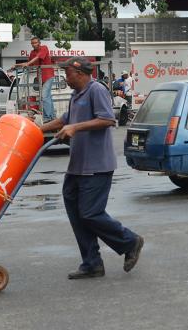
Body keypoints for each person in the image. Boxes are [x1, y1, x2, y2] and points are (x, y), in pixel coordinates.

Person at [40, 57, 144, 280]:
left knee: (90, 213)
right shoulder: (75, 95)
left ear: (79, 73)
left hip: (97, 166)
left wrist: (75, 128)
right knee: (76, 215)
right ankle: (92, 263)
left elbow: (107, 120)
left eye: (67, 73)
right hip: (77, 166)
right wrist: (37, 129)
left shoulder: (96, 90)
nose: (65, 78)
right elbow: (65, 120)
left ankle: (130, 241)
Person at [15, 37, 55, 122]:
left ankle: (47, 117)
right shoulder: (32, 53)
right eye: (32, 43)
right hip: (40, 77)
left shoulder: (44, 48)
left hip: (48, 76)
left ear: (39, 43)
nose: (34, 44)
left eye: (35, 42)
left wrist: (28, 63)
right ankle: (52, 117)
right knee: (48, 97)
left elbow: (37, 57)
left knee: (44, 96)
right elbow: (28, 63)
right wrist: (16, 65)